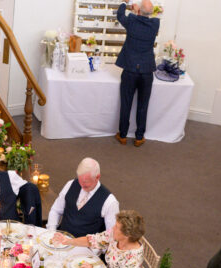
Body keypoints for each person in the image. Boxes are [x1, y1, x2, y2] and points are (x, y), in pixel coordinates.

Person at [52, 210, 145, 268]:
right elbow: (92, 241)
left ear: (127, 235)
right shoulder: (114, 235)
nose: (113, 228)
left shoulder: (135, 258)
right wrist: (68, 241)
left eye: (116, 227)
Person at [114, 1, 160, 147]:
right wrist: (138, 11)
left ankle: (122, 135)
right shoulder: (155, 24)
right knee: (143, 105)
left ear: (139, 11)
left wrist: (125, 3)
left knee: (126, 103)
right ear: (151, 13)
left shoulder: (132, 21)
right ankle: (139, 137)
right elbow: (150, 17)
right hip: (146, 71)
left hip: (130, 69)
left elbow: (120, 15)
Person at [47, 157, 120, 237]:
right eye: (79, 180)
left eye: (86, 183)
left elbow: (112, 235)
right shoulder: (71, 184)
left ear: (97, 177)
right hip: (61, 240)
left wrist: (94, 249)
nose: (81, 186)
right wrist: (52, 232)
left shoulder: (110, 202)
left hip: (86, 247)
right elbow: (56, 210)